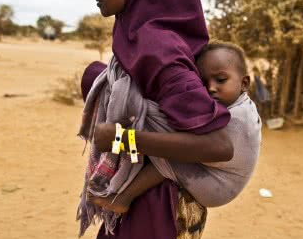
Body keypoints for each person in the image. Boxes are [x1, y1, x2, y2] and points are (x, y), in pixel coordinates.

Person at [69, 0, 236, 239]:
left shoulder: (158, 48)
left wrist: (120, 137)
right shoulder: (135, 36)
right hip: (135, 195)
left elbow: (217, 145)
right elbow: (155, 124)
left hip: (164, 207)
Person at [90, 41, 261, 214]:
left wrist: (122, 139)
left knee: (171, 150)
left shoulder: (239, 117)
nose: (211, 88)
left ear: (244, 83)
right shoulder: (237, 104)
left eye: (221, 80)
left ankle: (122, 198)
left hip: (217, 185)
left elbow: (199, 148)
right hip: (217, 174)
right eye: (202, 82)